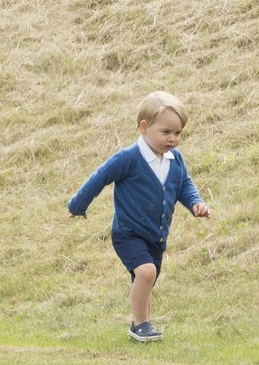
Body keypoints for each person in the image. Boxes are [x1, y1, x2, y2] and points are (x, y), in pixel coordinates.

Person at [67, 91, 210, 342]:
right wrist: (78, 206)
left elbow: (184, 185)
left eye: (178, 133)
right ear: (144, 127)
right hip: (128, 233)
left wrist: (196, 203)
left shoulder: (175, 160)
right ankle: (140, 325)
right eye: (166, 132)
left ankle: (141, 323)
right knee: (146, 272)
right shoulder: (128, 158)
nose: (173, 139)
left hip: (157, 235)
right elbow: (99, 178)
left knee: (148, 277)